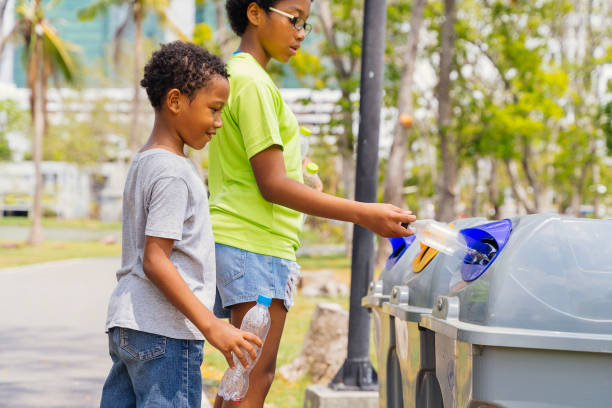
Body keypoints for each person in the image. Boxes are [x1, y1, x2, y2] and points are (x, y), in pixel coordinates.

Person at [208, 1, 417, 406]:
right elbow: (272, 185)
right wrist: (366, 214)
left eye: (306, 23)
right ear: (255, 13)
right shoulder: (250, 82)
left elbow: (268, 173)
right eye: (294, 19)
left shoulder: (247, 78)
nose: (301, 32)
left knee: (243, 377)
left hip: (256, 244)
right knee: (252, 379)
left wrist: (301, 175)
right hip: (256, 243)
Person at [100, 41, 262, 408]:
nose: (219, 122)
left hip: (128, 324)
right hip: (164, 332)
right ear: (175, 101)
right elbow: (156, 260)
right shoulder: (174, 173)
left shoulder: (144, 162)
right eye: (214, 110)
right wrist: (212, 325)